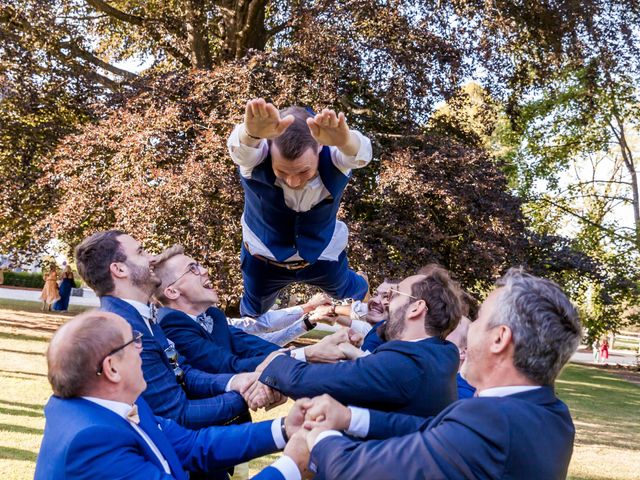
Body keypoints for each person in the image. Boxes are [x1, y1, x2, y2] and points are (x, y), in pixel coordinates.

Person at [285, 268, 582, 480]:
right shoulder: (554, 415)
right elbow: (430, 431)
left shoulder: (491, 421)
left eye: (478, 320)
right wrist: (351, 418)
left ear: (499, 339)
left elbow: (366, 468)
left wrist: (320, 438)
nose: (468, 329)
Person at [35, 310, 306, 480]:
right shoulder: (92, 441)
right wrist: (291, 467)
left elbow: (192, 445)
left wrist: (285, 429)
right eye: (135, 340)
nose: (144, 349)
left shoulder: (117, 405)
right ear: (112, 368)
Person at [74, 231, 262, 429]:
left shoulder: (142, 318)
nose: (152, 258)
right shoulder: (124, 330)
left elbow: (182, 373)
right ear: (119, 269)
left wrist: (237, 381)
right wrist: (252, 392)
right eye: (141, 252)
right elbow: (178, 414)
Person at [248, 268, 463, 418]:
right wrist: (348, 351)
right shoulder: (442, 355)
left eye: (393, 295)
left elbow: (305, 381)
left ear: (416, 308)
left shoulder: (405, 365)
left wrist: (280, 358)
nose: (386, 304)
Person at [227, 99, 372, 317]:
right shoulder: (256, 158)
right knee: (252, 312)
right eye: (282, 172)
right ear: (269, 149)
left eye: (303, 172)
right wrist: (251, 133)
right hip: (264, 261)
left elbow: (360, 154)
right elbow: (241, 150)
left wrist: (345, 140)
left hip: (322, 257)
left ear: (320, 147)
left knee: (350, 289)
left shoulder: (334, 158)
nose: (293, 181)